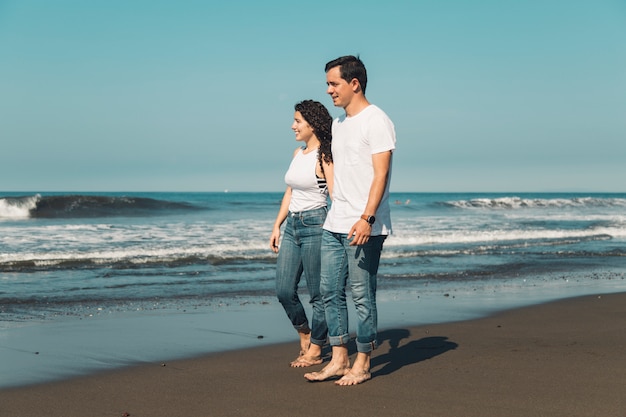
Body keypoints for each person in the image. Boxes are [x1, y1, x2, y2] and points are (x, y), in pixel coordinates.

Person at [304, 55, 396, 385]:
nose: (329, 90)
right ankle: (339, 358)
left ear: (354, 83)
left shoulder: (377, 120)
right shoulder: (339, 124)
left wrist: (367, 218)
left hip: (364, 225)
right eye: (328, 84)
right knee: (329, 291)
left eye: (334, 83)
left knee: (361, 294)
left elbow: (380, 174)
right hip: (335, 221)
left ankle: (364, 361)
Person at [270, 99, 334, 367]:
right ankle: (305, 333)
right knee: (284, 290)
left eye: (297, 121)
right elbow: (290, 191)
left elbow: (335, 195)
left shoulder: (325, 156)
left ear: (312, 124)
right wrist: (277, 224)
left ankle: (317, 348)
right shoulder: (299, 153)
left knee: (318, 294)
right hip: (293, 226)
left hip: (315, 226)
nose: (293, 125)